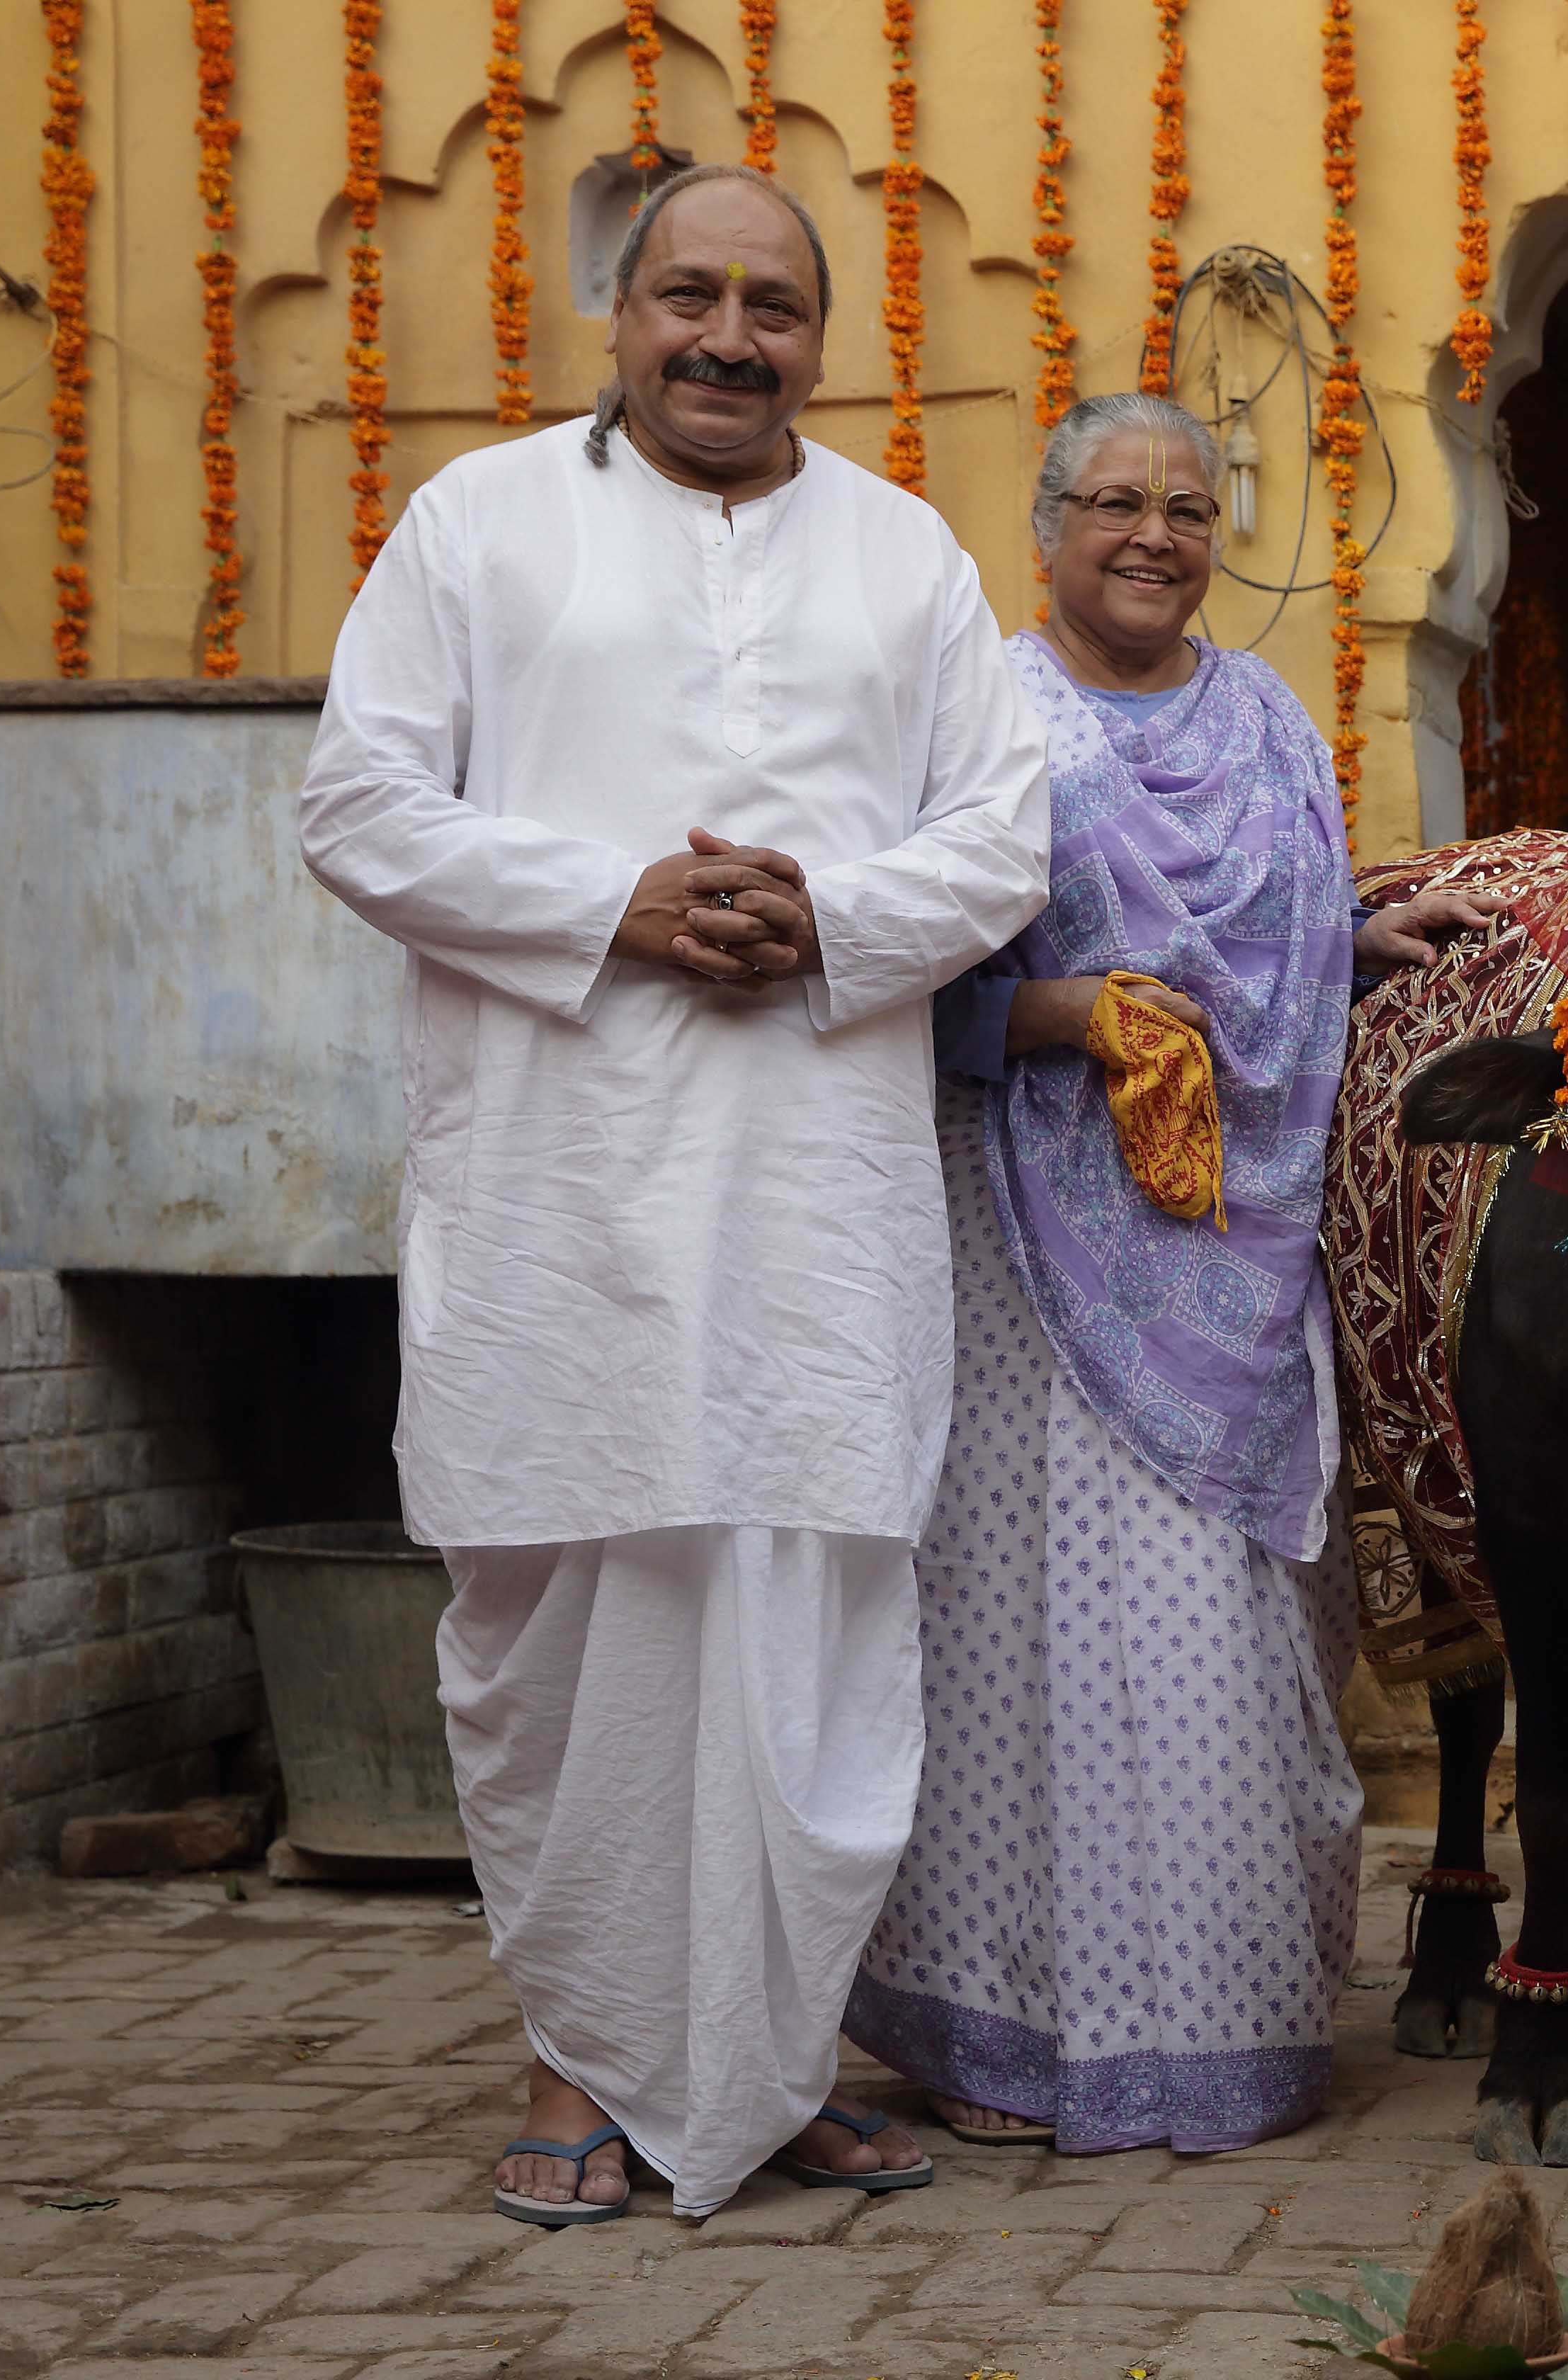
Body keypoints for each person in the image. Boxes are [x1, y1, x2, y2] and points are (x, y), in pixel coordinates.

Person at [299, 162, 1052, 2223]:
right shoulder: (476, 527)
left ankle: (771, 2063)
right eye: (690, 299)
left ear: (826, 341)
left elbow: (1002, 837)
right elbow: (356, 801)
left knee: (813, 1626)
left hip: (814, 1203)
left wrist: (830, 921)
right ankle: (584, 2059)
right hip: (563, 1188)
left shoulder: (901, 555)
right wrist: (611, 904)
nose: (729, 337)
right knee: (562, 1619)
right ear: (619, 318)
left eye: (774, 308)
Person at [840, 392, 1492, 2155]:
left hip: (1237, 1257)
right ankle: (1003, 2039)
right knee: (1028, 1639)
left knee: (1241, 1637)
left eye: (1189, 508)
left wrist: (1351, 938)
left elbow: (1253, 954)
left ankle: (1227, 2030)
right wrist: (1059, 1013)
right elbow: (881, 969)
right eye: (1116, 502)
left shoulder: (1268, 713)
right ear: (1044, 524)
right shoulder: (981, 712)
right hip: (1041, 1251)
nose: (1154, 535)